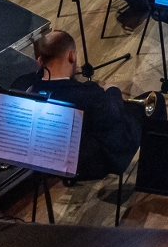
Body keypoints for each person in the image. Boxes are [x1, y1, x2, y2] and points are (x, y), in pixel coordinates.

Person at [17, 30, 142, 178]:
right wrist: (113, 90)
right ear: (71, 56)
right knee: (152, 105)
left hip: (50, 157)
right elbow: (113, 116)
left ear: (39, 61)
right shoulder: (89, 95)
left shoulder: (22, 86)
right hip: (88, 164)